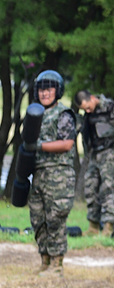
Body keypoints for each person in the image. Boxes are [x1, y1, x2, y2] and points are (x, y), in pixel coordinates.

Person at [29, 70, 77, 276]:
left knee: (55, 220)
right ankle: (45, 260)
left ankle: (57, 264)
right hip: (39, 175)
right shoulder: (35, 114)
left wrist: (39, 146)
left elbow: (67, 144)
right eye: (41, 89)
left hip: (59, 176)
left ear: (57, 91)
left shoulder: (63, 114)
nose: (44, 93)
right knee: (38, 219)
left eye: (48, 89)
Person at [73, 89, 114, 237]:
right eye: (84, 110)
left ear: (92, 98)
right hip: (94, 154)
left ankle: (109, 227)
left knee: (109, 189)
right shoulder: (88, 115)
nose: (88, 111)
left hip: (109, 153)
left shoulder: (109, 107)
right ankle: (93, 226)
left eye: (88, 107)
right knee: (90, 187)